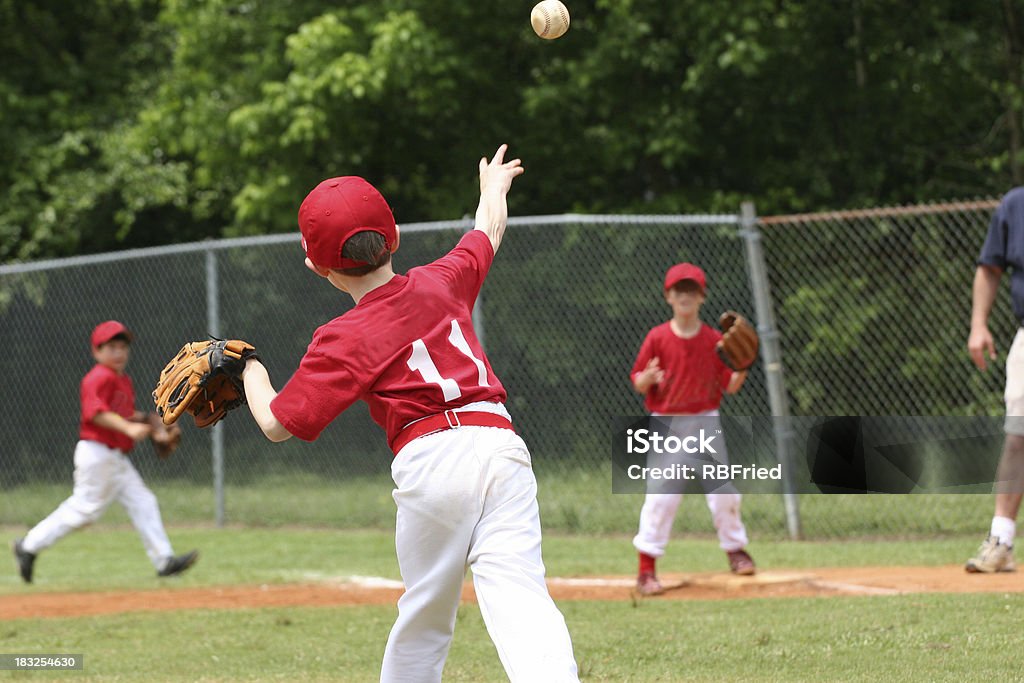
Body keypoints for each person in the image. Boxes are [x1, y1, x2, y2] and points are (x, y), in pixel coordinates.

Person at [237, 145, 579, 682]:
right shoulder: (440, 280)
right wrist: (492, 189)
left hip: (432, 459)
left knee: (426, 613)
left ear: (316, 265)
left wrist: (248, 368)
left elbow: (278, 424)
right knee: (520, 593)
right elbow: (487, 233)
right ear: (393, 236)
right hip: (499, 442)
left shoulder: (342, 337)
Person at [11, 320, 198, 583]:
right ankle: (27, 546)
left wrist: (147, 421)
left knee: (144, 502)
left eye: (122, 347)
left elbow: (122, 413)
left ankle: (164, 560)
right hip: (97, 453)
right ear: (96, 352)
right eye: (111, 347)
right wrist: (129, 429)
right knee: (84, 511)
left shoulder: (122, 380)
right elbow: (95, 413)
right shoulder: (98, 377)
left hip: (114, 458)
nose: (119, 352)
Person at [630, 263, 755, 596]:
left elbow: (730, 386)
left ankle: (736, 551)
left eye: (691, 290)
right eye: (678, 290)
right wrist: (647, 379)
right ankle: (646, 570)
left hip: (706, 420)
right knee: (662, 498)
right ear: (668, 296)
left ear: (702, 297)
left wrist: (742, 367)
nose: (685, 296)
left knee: (723, 493)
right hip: (667, 423)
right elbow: (638, 381)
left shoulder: (714, 340)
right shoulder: (657, 337)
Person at [965, 187, 1024, 573]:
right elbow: (990, 268)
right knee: (1018, 436)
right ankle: (1001, 539)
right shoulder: (1016, 205)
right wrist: (978, 324)